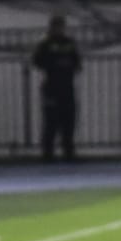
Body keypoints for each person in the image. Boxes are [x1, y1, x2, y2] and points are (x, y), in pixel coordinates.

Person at [32, 15, 82, 162]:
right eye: (56, 26)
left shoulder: (69, 43)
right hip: (52, 87)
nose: (58, 29)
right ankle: (48, 154)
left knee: (69, 121)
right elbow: (37, 61)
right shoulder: (45, 43)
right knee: (51, 122)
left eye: (60, 26)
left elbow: (77, 62)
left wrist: (69, 66)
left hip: (67, 87)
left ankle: (69, 152)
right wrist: (53, 64)